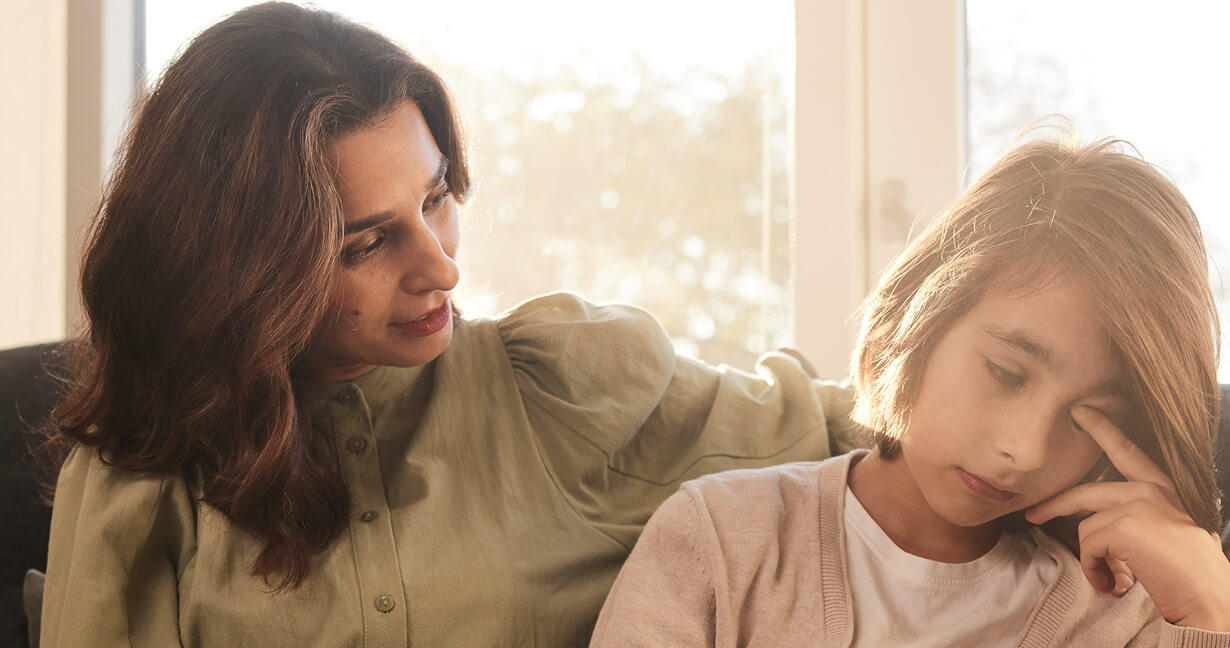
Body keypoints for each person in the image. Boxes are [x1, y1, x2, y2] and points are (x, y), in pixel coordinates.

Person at [37, 3, 865, 647]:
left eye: (436, 198)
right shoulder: (141, 483)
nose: (440, 267)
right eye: (367, 242)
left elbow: (847, 435)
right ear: (240, 272)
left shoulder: (561, 391)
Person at [590, 128, 1230, 646]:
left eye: (1086, 418)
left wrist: (1212, 608)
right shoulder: (722, 541)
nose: (1024, 449)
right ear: (921, 318)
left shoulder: (1120, 615)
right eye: (1005, 373)